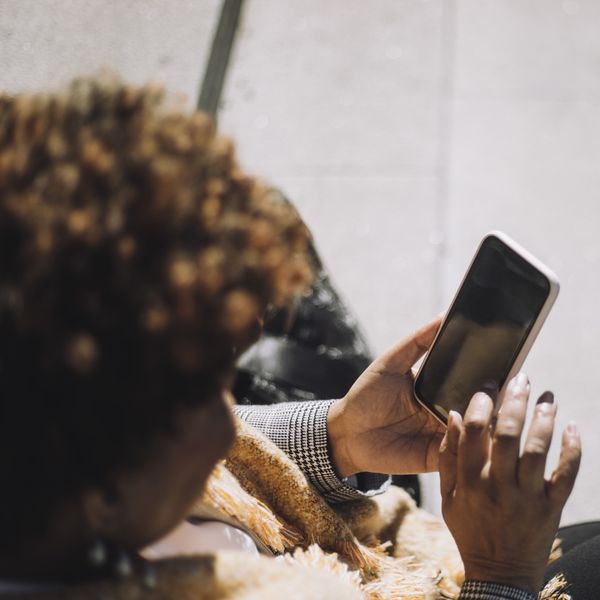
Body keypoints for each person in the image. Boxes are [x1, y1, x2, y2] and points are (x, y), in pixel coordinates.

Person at [0, 74, 590, 599]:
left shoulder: (56, 466)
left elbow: (226, 460)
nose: (236, 417)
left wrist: (337, 439)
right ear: (105, 490)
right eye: (212, 392)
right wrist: (501, 574)